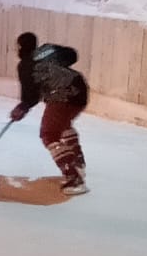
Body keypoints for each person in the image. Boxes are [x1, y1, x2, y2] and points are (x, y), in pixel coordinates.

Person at [10, 32, 90, 195]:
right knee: (62, 125)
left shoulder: (25, 65)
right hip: (80, 88)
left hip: (61, 95)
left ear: (20, 47)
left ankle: (74, 179)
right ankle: (78, 163)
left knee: (49, 133)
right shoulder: (47, 49)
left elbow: (31, 96)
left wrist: (22, 108)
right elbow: (72, 55)